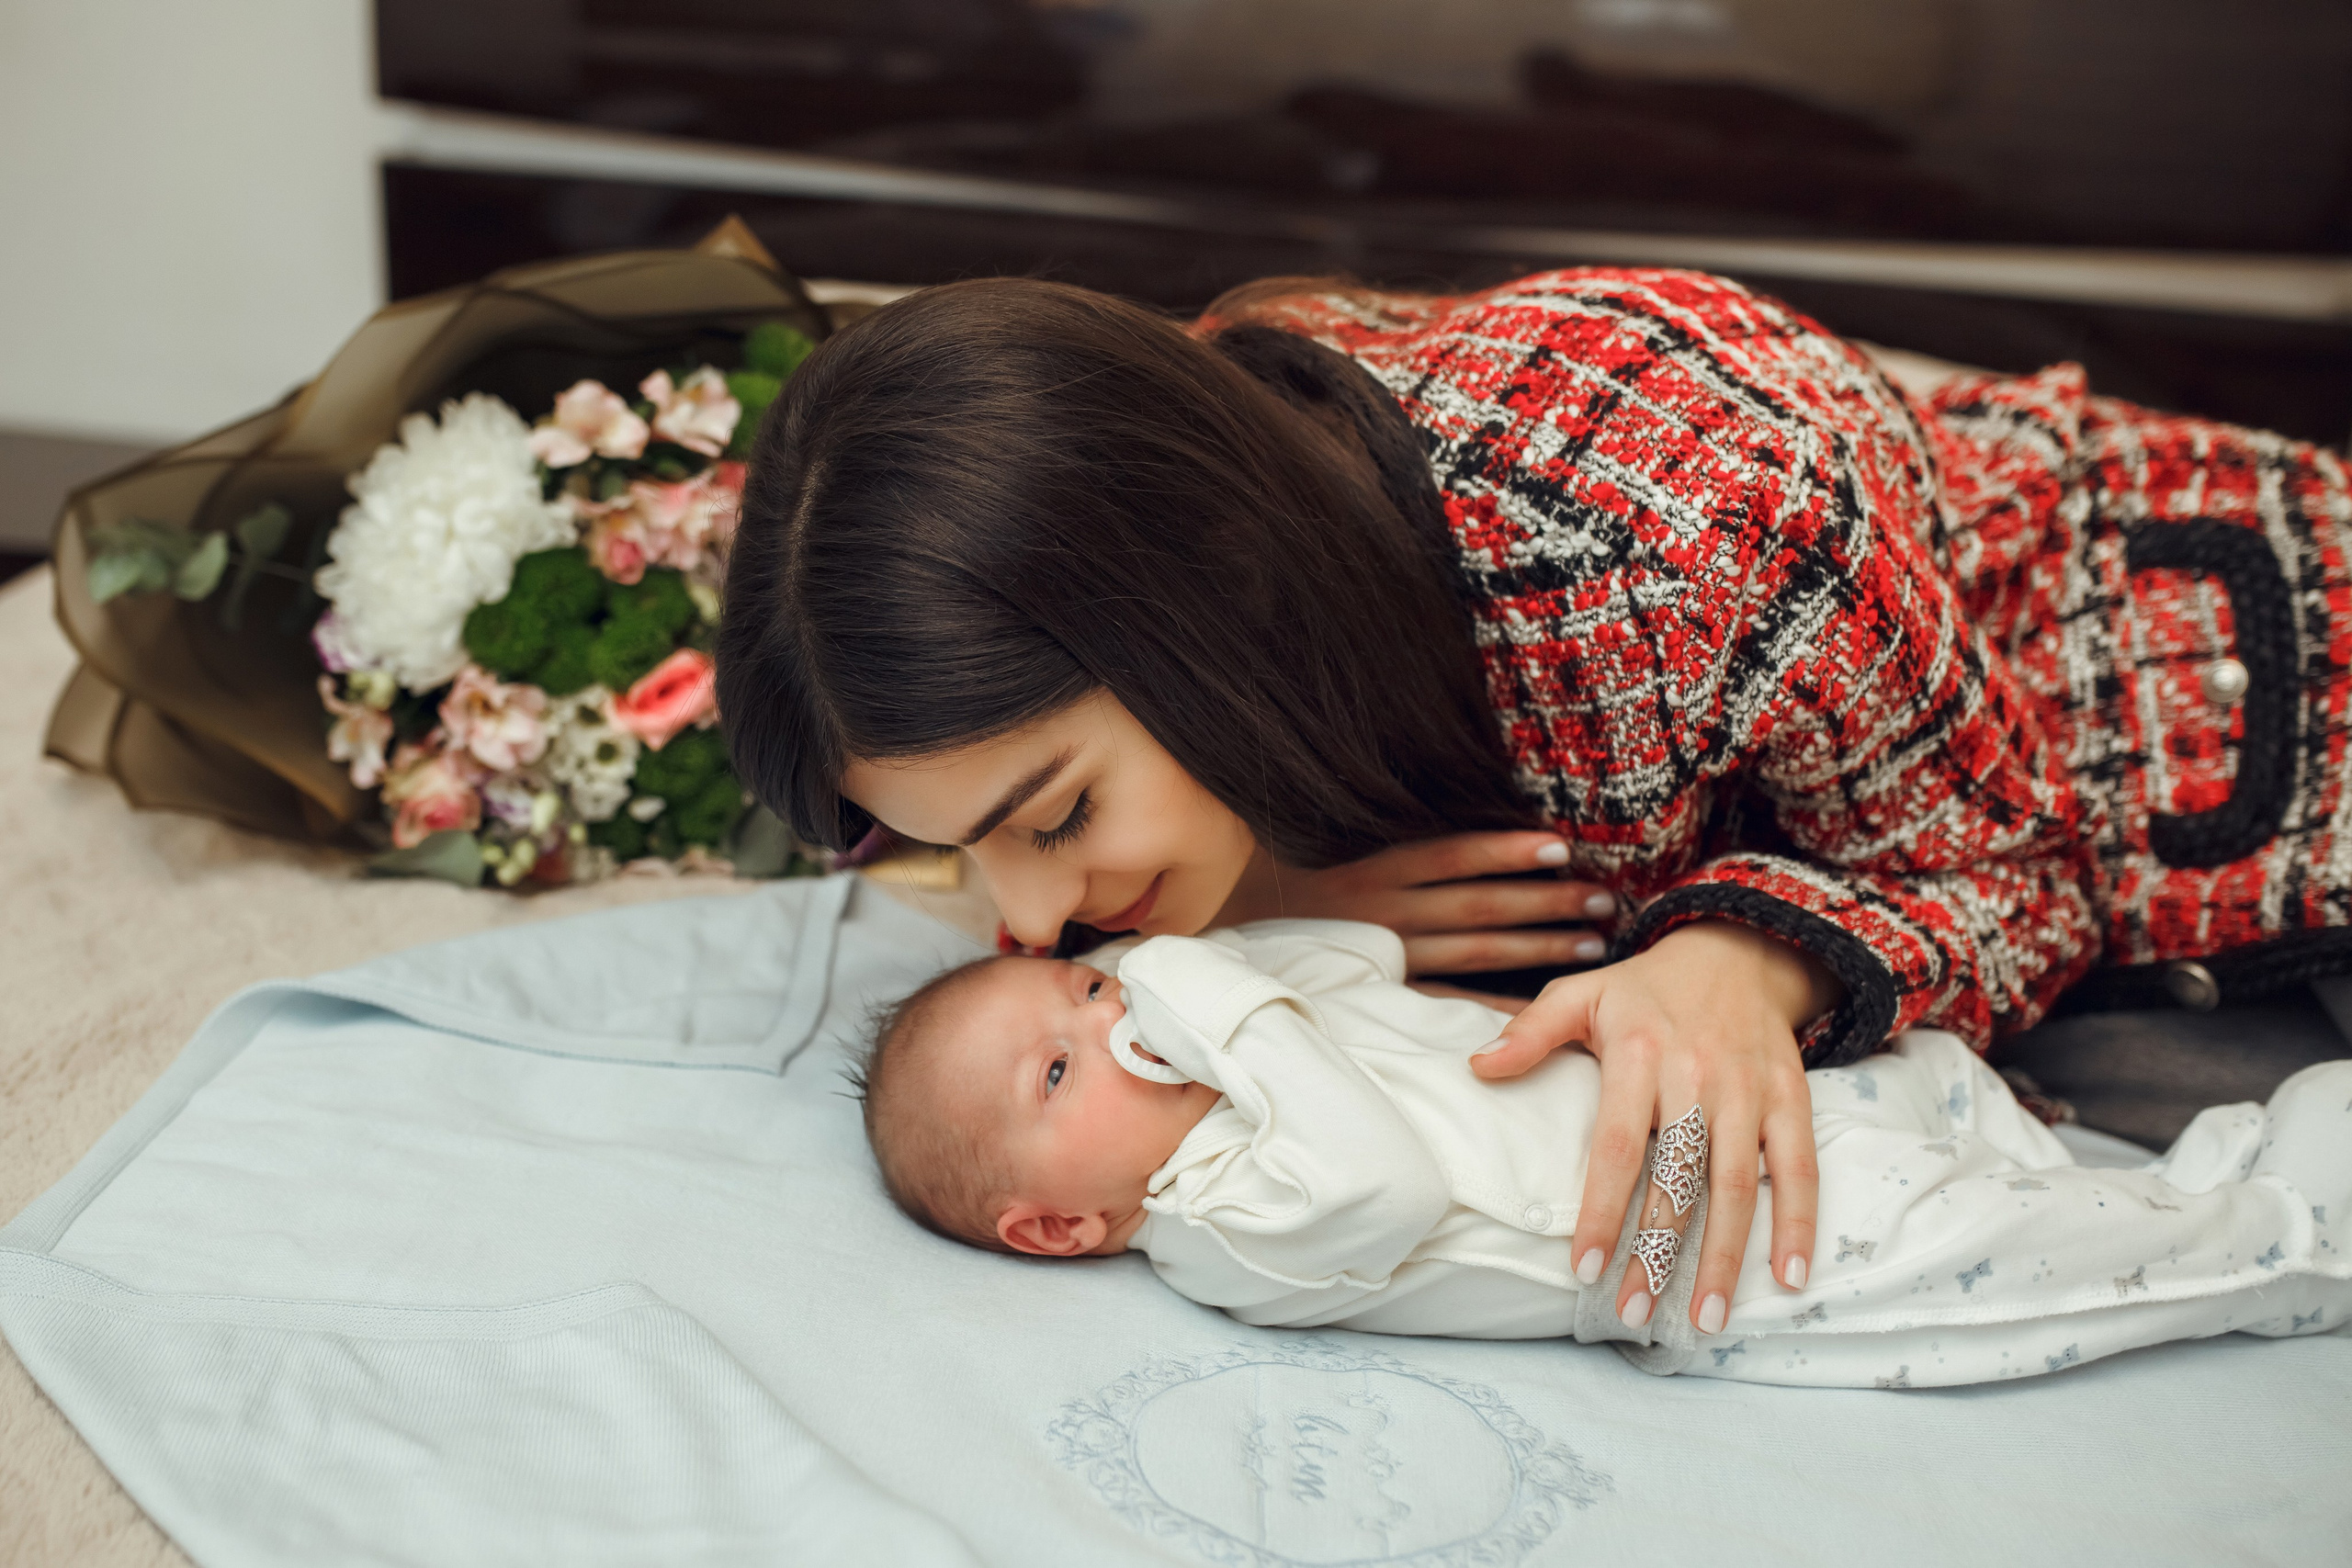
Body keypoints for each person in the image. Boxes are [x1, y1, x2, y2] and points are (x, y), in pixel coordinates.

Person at [717, 265, 2352, 1336]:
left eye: (1055, 820)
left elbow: (2020, 874)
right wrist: (1282, 900)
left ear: (1208, 599)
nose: (1024, 923)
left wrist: (1740, 960)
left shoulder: (1692, 507)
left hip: (2229, 739)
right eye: (963, 855)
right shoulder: (1157, 537)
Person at [852, 919, 2351, 1386]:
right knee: (2008, 1267)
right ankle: (2284, 1231)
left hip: (1714, 1093)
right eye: (1063, 1064)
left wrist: (1201, 968)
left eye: (1096, 981)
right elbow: (1387, 1182)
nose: (1120, 1021)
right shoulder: (1218, 1224)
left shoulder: (1250, 1031)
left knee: (1956, 1104)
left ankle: (2192, 1148)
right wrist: (1215, 1005)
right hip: (1704, 1248)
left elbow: (1364, 952)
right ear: (1057, 1226)